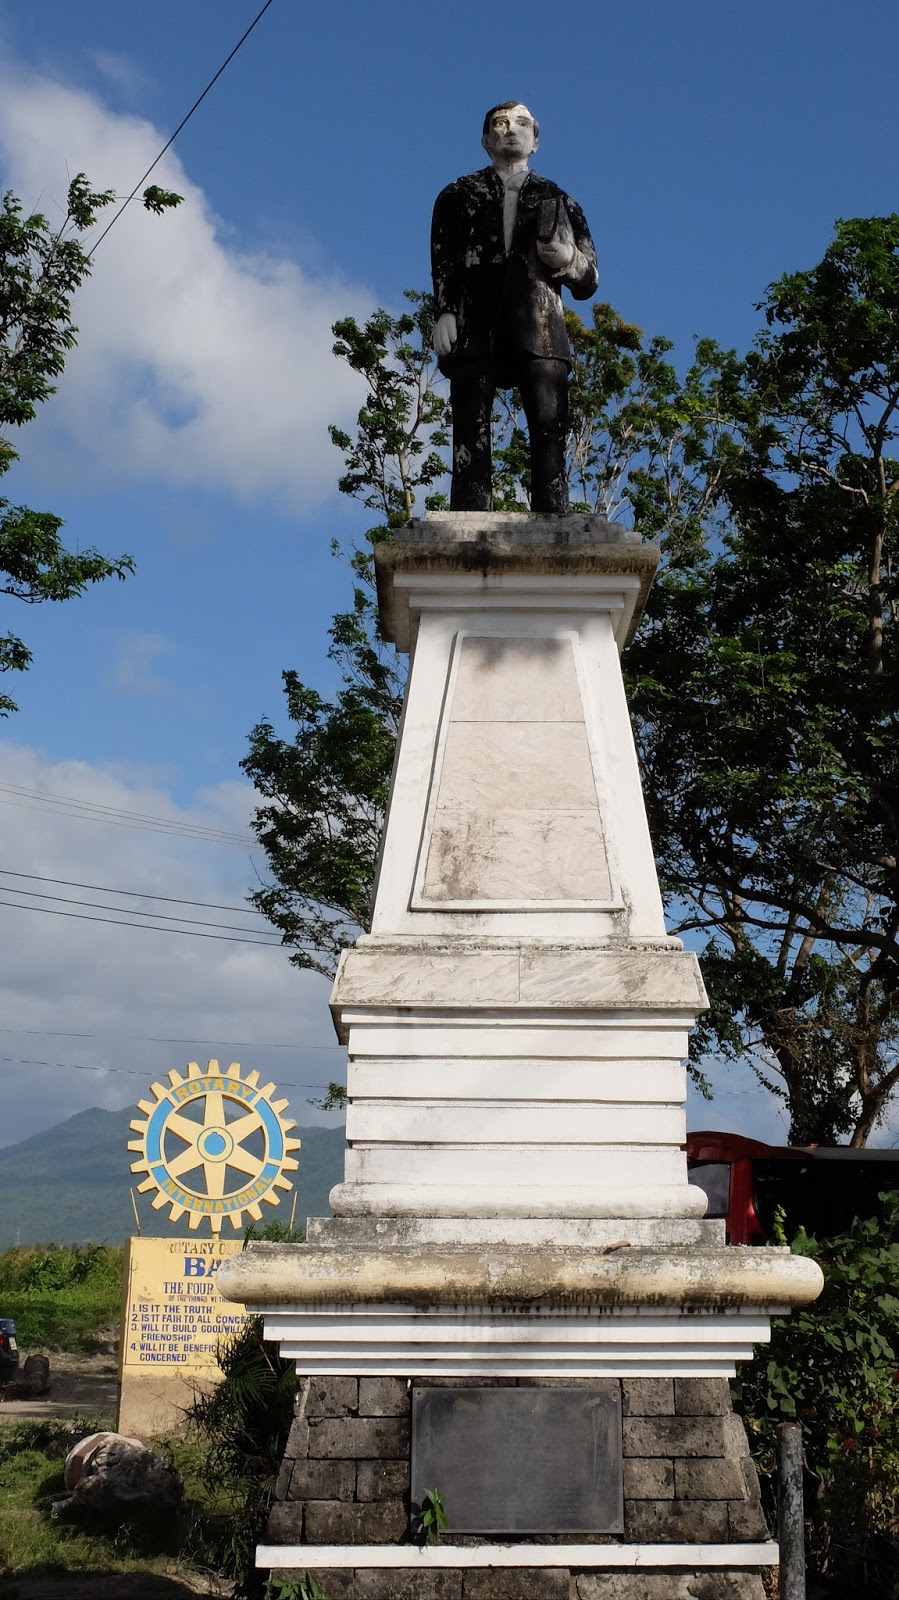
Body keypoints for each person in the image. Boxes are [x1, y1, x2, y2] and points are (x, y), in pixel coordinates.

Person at [431, 102, 598, 513]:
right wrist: (445, 311)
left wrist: (566, 260)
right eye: (500, 124)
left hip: (540, 324)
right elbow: (444, 260)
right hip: (474, 323)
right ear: (485, 140)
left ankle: (553, 511)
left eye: (521, 123)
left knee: (548, 425)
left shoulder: (558, 198)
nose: (510, 130)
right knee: (470, 426)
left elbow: (590, 277)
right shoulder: (457, 195)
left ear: (536, 141)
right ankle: (470, 513)